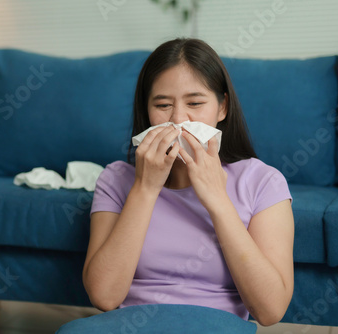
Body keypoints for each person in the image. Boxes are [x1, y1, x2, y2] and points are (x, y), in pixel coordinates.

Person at [82, 38, 294, 327]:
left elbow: (270, 311)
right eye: (163, 104)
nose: (178, 119)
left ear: (222, 108)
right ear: (146, 113)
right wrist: (145, 189)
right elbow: (104, 296)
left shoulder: (262, 182)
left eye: (195, 103)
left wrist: (217, 199)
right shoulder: (116, 179)